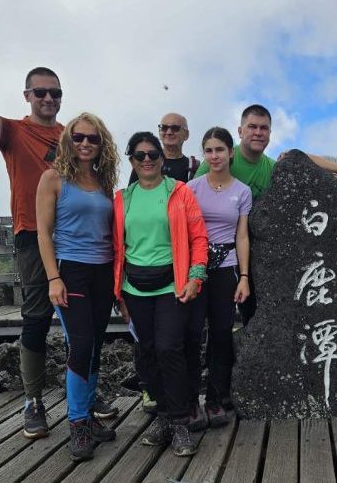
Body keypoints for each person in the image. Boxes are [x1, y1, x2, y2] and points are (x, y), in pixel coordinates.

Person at [0, 69, 117, 439]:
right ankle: (33, 400)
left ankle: (84, 398)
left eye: (55, 92)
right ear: (27, 95)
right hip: (33, 235)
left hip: (79, 247)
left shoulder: (72, 136)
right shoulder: (16, 131)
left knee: (81, 329)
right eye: (40, 92)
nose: (48, 98)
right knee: (36, 317)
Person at [115, 132, 208, 457]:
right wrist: (118, 294)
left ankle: (181, 421)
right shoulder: (122, 198)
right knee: (148, 352)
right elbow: (116, 247)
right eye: (139, 155)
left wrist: (196, 276)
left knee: (170, 348)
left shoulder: (179, 192)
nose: (147, 160)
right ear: (132, 160)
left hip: (172, 283)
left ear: (161, 158)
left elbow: (198, 237)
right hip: (134, 287)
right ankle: (165, 418)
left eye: (153, 154)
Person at [35, 113, 120, 461]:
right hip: (71, 270)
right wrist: (54, 278)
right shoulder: (53, 178)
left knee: (96, 345)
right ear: (69, 140)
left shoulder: (103, 182)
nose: (85, 143)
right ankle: (78, 424)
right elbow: (43, 232)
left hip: (102, 271)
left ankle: (87, 416)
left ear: (102, 145)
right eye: (79, 137)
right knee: (81, 345)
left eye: (93, 138)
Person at [186, 127, 252, 428]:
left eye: (220, 150)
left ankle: (215, 399)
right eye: (209, 150)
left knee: (222, 335)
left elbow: (242, 236)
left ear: (230, 153)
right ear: (204, 154)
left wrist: (244, 276)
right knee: (191, 333)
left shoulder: (242, 191)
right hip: (195, 268)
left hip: (226, 267)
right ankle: (189, 401)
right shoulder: (191, 188)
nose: (215, 156)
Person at [195, 104, 275, 326]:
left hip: (250, 251)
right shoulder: (213, 162)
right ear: (240, 132)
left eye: (264, 128)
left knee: (238, 317)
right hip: (209, 255)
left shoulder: (272, 168)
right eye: (252, 127)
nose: (258, 132)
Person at [127, 113, 199, 184]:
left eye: (175, 128)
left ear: (186, 134)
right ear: (159, 132)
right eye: (164, 128)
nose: (169, 132)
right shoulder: (145, 161)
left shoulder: (194, 166)